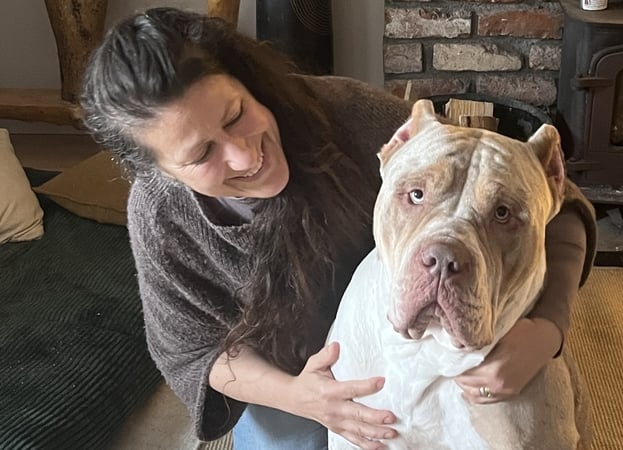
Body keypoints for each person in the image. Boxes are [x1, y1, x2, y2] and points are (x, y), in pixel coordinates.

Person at [80, 7, 596, 450]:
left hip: (427, 321)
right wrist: (298, 396)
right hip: (289, 372)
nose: (243, 153)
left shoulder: (350, 115)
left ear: (244, 80)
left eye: (235, 114)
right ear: (160, 172)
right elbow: (193, 348)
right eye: (201, 154)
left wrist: (547, 327)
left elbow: (559, 205)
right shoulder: (160, 214)